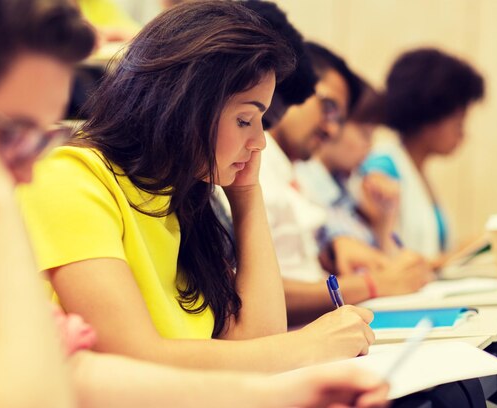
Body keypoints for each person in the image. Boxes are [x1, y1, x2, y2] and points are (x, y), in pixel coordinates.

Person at [0, 1, 392, 407]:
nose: (26, 172)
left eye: (38, 141)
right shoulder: (45, 189)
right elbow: (100, 369)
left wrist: (280, 393)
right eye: (11, 134)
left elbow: (76, 367)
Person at [19, 1, 376, 372]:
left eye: (260, 121)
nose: (260, 142)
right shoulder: (71, 179)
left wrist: (245, 193)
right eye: (244, 119)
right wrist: (310, 345)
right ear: (187, 105)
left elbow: (258, 338)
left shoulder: (181, 195)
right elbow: (134, 360)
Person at [263, 42, 433, 326]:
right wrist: (374, 284)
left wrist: (334, 249)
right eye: (327, 107)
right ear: (289, 87)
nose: (331, 129)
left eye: (340, 120)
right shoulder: (257, 162)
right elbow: (247, 295)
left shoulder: (287, 167)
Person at [360, 48, 485, 265]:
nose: (463, 133)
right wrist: (459, 254)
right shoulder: (382, 167)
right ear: (430, 114)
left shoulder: (415, 169)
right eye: (458, 121)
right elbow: (393, 258)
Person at [296, 84, 402, 254]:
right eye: (365, 134)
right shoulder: (302, 183)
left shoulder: (346, 188)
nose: (369, 145)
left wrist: (383, 221)